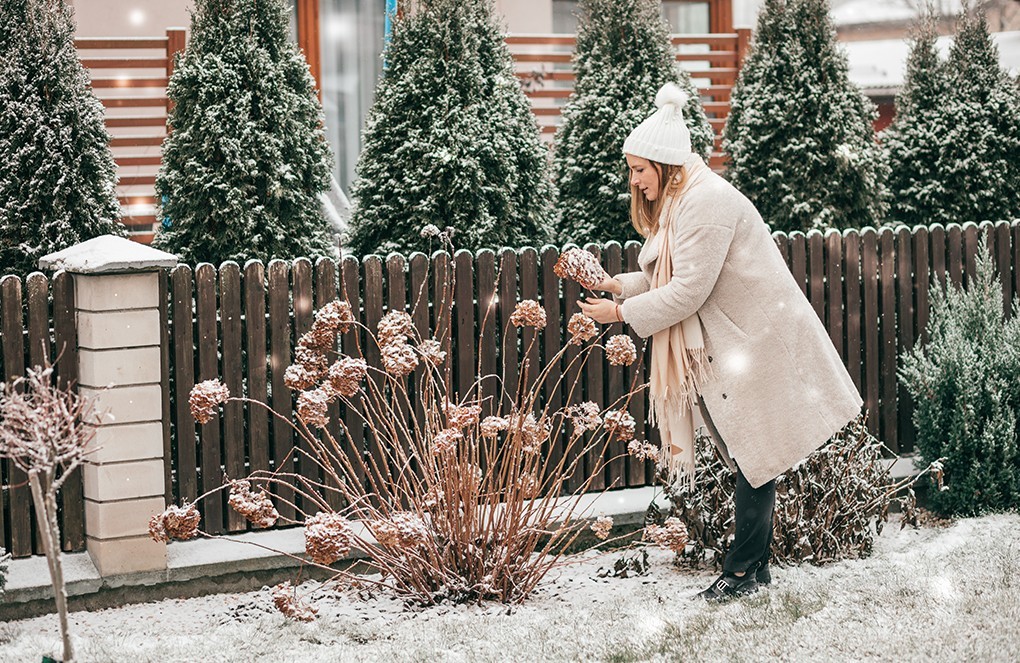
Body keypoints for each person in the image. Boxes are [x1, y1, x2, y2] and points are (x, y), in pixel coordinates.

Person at [577, 82, 863, 600]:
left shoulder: (705, 202)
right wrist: (618, 285)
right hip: (738, 342)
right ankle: (754, 570)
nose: (634, 182)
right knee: (750, 455)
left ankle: (741, 572)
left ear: (663, 166)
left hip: (755, 341)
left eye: (639, 170)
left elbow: (687, 291)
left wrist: (619, 313)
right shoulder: (685, 200)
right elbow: (672, 275)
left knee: (754, 454)